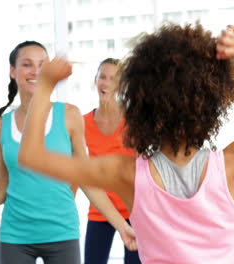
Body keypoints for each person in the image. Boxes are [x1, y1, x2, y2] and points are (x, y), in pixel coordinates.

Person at [18, 23, 234, 263]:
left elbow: (31, 157)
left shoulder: (125, 173)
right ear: (211, 104)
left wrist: (45, 85)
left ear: (142, 108)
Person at [0, 40, 118, 264]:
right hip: (15, 237)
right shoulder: (3, 124)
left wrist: (121, 225)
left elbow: (86, 179)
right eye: (27, 64)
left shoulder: (69, 115)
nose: (35, 71)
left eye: (42, 64)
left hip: (62, 234)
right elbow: (2, 189)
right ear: (13, 71)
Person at [83, 58, 141, 264]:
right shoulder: (82, 123)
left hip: (134, 210)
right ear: (95, 80)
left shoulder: (134, 121)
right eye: (102, 77)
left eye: (113, 78)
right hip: (100, 212)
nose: (106, 83)